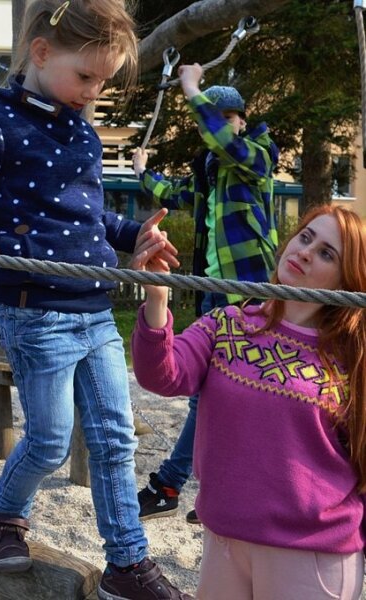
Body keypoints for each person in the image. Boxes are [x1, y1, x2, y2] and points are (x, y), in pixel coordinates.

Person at [0, 1, 190, 598]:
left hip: (95, 311)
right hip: (36, 310)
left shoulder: (82, 130)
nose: (94, 92)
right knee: (47, 439)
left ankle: (126, 562)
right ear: (41, 54)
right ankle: (7, 514)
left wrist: (136, 235)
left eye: (102, 80)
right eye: (87, 76)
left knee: (116, 437)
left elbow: (91, 216)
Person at [130, 204, 365, 599]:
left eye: (328, 253)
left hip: (312, 555)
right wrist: (157, 298)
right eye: (305, 237)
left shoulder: (352, 358)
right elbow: (163, 375)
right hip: (224, 541)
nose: (306, 251)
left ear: (348, 279)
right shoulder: (227, 324)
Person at [131, 63, 280, 524]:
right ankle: (207, 486)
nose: (215, 131)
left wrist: (191, 88)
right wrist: (141, 171)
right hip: (215, 297)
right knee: (212, 392)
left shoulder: (256, 155)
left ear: (238, 118)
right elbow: (174, 193)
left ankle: (173, 484)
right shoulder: (211, 171)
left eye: (224, 119)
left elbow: (228, 143)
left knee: (221, 395)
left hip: (250, 292)